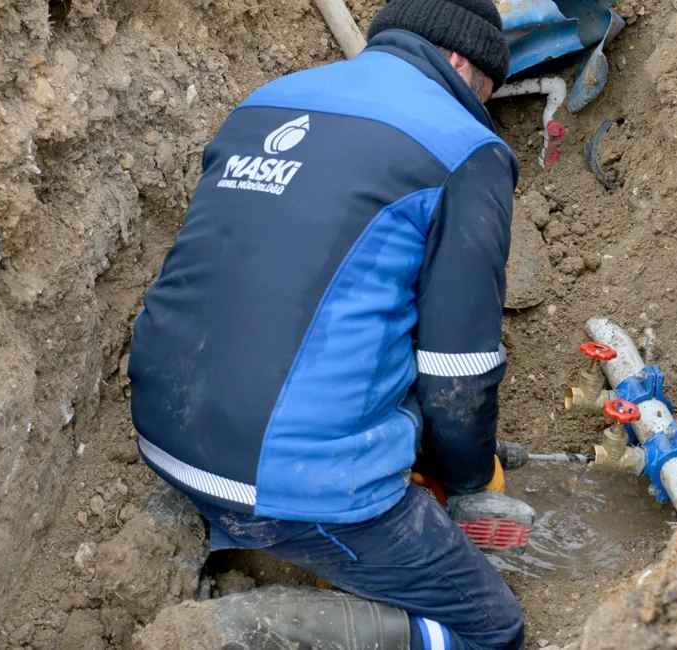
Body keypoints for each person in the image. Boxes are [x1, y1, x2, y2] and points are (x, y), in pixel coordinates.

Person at [127, 1, 528, 649]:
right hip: (289, 481)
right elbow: (458, 368)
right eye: (489, 88)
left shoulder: (266, 100)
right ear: (461, 62)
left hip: (164, 434)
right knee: (491, 629)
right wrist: (470, 482)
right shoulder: (467, 147)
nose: (484, 104)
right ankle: (235, 631)